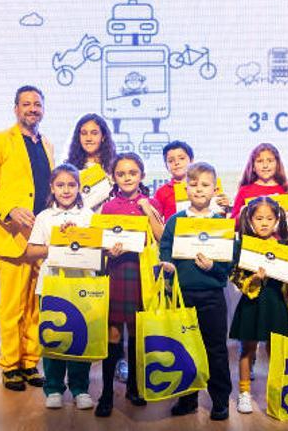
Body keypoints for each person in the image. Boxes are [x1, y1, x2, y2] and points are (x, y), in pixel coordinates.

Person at [0, 85, 54, 391]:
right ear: (15, 109)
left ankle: (30, 363)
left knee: (35, 305)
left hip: (40, 236)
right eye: (26, 104)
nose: (32, 108)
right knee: (12, 307)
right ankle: (10, 366)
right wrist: (10, 210)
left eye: (37, 104)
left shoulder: (47, 143)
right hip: (11, 235)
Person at [158, 162, 234, 421]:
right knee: (185, 348)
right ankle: (188, 398)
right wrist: (166, 264)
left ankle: (220, 400)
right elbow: (165, 249)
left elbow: (228, 264)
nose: (199, 190)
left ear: (214, 189)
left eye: (205, 185)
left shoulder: (220, 223)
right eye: (193, 185)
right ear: (185, 188)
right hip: (182, 296)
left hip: (212, 297)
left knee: (216, 349)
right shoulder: (175, 221)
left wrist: (213, 266)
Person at [95, 152, 164, 417]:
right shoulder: (109, 207)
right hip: (117, 272)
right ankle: (107, 393)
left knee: (137, 333)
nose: (127, 178)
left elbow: (160, 236)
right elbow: (102, 242)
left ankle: (135, 387)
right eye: (121, 174)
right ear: (114, 177)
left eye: (132, 173)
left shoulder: (151, 202)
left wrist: (148, 211)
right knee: (113, 334)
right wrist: (108, 250)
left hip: (141, 274)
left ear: (142, 176)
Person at [25, 164, 96, 410]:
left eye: (71, 185)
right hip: (52, 286)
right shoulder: (44, 217)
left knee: (80, 339)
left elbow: (98, 250)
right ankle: (53, 387)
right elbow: (31, 251)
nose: (66, 190)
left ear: (79, 188)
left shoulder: (89, 216)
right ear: (52, 188)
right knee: (53, 337)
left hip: (83, 284)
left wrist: (79, 238)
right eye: (60, 185)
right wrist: (60, 242)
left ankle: (80, 388)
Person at [230, 197, 288, 414]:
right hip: (252, 303)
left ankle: (275, 390)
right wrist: (255, 279)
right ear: (250, 219)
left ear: (277, 220)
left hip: (275, 303)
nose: (264, 223)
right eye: (259, 218)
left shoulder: (284, 245)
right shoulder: (244, 245)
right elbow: (236, 277)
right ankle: (244, 392)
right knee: (247, 348)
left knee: (275, 348)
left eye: (269, 218)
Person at [65, 113, 117, 211]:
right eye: (84, 133)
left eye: (94, 133)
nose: (88, 138)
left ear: (103, 136)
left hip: (109, 223)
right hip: (79, 224)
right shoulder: (69, 170)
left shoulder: (115, 167)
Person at [230, 143, 288, 221]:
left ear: (277, 164)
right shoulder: (245, 191)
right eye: (260, 161)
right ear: (253, 166)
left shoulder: (287, 189)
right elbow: (232, 223)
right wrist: (244, 214)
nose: (265, 165)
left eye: (270, 161)